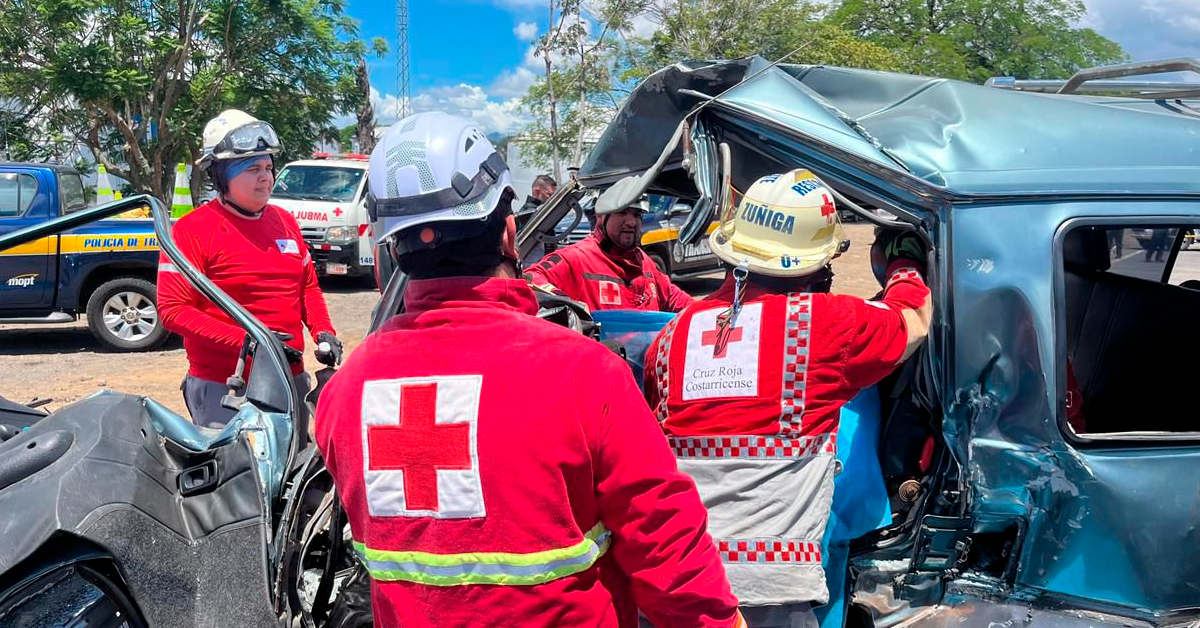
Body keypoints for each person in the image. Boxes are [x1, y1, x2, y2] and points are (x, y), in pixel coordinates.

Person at [313, 111, 745, 628]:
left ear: (392, 250)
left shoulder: (345, 392)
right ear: (510, 233)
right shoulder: (584, 374)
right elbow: (663, 541)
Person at [643, 169, 932, 628]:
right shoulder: (826, 325)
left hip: (680, 577)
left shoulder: (671, 335)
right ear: (814, 262)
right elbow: (913, 316)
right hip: (769, 589)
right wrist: (904, 261)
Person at [157, 109, 342, 427]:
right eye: (253, 168)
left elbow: (307, 288)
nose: (266, 177)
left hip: (289, 380)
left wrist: (323, 331)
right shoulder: (191, 231)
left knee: (293, 471)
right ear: (221, 175)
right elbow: (173, 310)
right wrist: (252, 340)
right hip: (227, 387)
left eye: (269, 167)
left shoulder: (285, 223)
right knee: (237, 475)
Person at [524, 193, 695, 312]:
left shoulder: (644, 261)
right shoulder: (577, 258)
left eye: (637, 215)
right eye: (622, 212)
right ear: (601, 217)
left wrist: (710, 313)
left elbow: (675, 298)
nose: (631, 222)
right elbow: (530, 280)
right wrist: (573, 311)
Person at [516, 174, 558, 266]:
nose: (551, 199)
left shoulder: (542, 212)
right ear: (537, 192)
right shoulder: (530, 213)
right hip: (530, 267)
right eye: (550, 195)